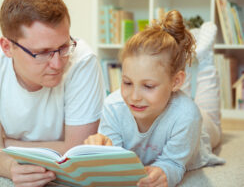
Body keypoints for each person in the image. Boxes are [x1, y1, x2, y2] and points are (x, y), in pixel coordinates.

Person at [0, 0, 105, 186]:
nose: (57, 64)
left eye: (63, 47)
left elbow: (79, 151)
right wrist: (10, 167)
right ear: (7, 47)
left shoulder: (82, 61)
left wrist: (5, 144)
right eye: (43, 52)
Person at [84, 10, 224, 187]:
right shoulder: (114, 106)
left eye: (148, 86)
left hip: (200, 130)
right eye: (127, 83)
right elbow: (115, 159)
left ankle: (205, 58)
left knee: (210, 117)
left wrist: (165, 172)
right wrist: (101, 150)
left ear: (176, 82)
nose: (134, 97)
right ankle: (182, 64)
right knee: (169, 83)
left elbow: (174, 163)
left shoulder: (188, 116)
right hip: (171, 97)